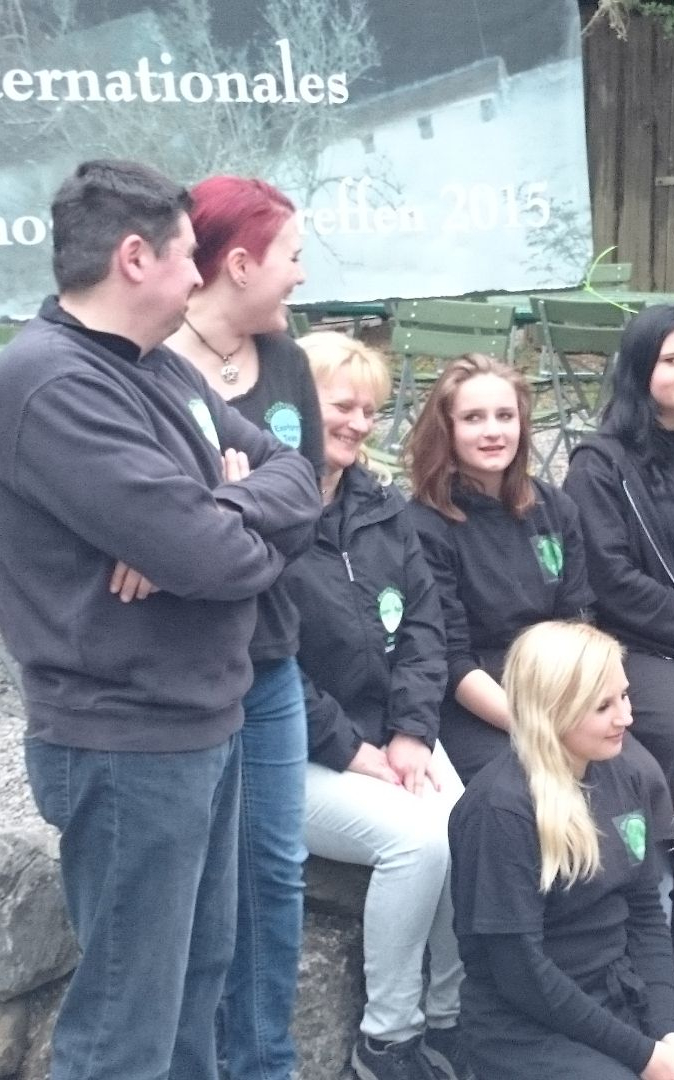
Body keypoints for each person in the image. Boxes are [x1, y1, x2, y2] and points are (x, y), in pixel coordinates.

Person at [0, 160, 320, 1080]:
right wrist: (217, 536)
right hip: (124, 742)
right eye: (187, 255)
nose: (201, 275)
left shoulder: (158, 367)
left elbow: (295, 478)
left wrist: (221, 509)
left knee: (196, 988)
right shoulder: (50, 386)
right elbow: (213, 561)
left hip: (204, 722)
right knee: (126, 1027)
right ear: (135, 258)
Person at [162, 174, 320, 1080]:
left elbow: (306, 508)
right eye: (292, 256)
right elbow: (161, 536)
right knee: (197, 893)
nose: (302, 274)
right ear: (240, 264)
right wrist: (244, 507)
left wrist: (224, 502)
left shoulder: (288, 362)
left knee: (273, 876)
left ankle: (267, 1064)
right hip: (187, 668)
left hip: (273, 661)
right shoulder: (155, 366)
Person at [288, 332, 467, 1080]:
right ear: (295, 403)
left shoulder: (383, 507)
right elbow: (266, 665)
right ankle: (387, 1039)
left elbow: (425, 627)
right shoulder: (266, 513)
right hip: (292, 752)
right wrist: (352, 750)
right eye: (343, 405)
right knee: (417, 843)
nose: (360, 424)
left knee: (470, 823)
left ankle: (453, 1016)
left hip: (391, 732)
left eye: (370, 410)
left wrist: (412, 732)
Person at [446, 620, 674, 1080]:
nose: (626, 717)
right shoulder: (500, 810)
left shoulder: (625, 775)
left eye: (625, 696)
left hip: (622, 999)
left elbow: (645, 912)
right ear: (554, 710)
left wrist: (666, 1028)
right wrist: (642, 1055)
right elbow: (519, 970)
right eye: (603, 706)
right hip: (530, 1027)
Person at [564, 305, 674, 797]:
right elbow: (615, 585)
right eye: (672, 360)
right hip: (648, 650)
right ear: (640, 369)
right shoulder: (599, 465)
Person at [406, 355, 599, 782]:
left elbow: (577, 619)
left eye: (505, 416)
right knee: (537, 781)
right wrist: (535, 728)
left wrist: (580, 708)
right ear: (447, 430)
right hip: (475, 698)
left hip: (555, 685)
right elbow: (451, 658)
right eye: (473, 418)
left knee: (628, 769)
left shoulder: (555, 508)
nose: (493, 431)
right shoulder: (424, 526)